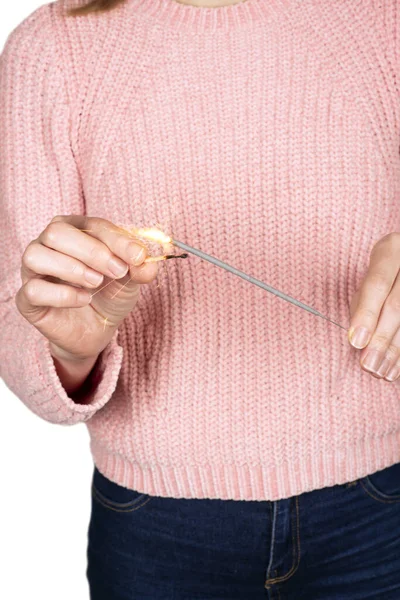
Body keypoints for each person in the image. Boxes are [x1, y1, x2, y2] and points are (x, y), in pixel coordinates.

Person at [1, 0, 400, 597]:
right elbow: (21, 324)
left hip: (380, 509)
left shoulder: (385, 19)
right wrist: (68, 351)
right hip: (157, 528)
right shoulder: (54, 49)